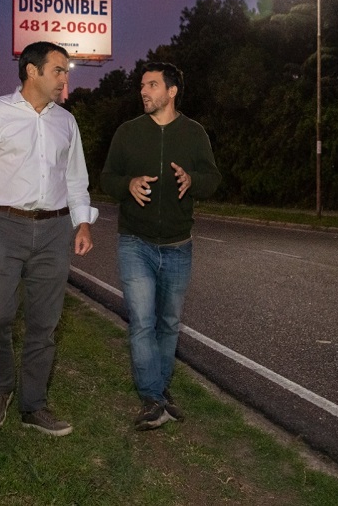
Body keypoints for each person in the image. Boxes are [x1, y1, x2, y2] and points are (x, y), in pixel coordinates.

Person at [0, 40, 97, 437]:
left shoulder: (66, 122)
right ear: (32, 71)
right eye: (59, 70)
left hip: (54, 230)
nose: (65, 78)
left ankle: (34, 405)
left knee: (45, 324)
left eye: (66, 71)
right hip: (3, 228)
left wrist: (82, 223)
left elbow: (76, 178)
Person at [101, 61, 221, 431]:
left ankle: (159, 393)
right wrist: (128, 185)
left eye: (152, 85)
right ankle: (153, 397)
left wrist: (193, 179)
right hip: (135, 242)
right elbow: (107, 177)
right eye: (142, 85)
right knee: (141, 321)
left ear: (171, 91)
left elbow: (213, 178)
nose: (143, 91)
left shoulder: (194, 133)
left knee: (168, 323)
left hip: (178, 245)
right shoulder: (128, 132)